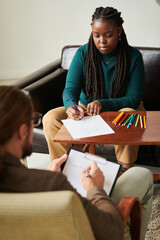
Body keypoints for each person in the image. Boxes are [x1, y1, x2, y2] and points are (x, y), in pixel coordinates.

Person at [0, 85, 153, 240]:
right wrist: (95, 189)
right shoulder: (52, 184)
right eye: (33, 121)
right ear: (22, 131)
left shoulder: (42, 182)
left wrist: (48, 177)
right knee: (143, 174)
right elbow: (111, 232)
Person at [43, 6, 145, 170]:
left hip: (121, 109)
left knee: (129, 116)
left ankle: (125, 169)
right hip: (86, 109)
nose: (102, 41)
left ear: (119, 31)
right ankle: (63, 167)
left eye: (108, 35)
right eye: (96, 35)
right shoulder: (83, 53)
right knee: (50, 118)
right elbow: (69, 91)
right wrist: (72, 107)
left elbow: (133, 99)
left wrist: (102, 103)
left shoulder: (133, 57)